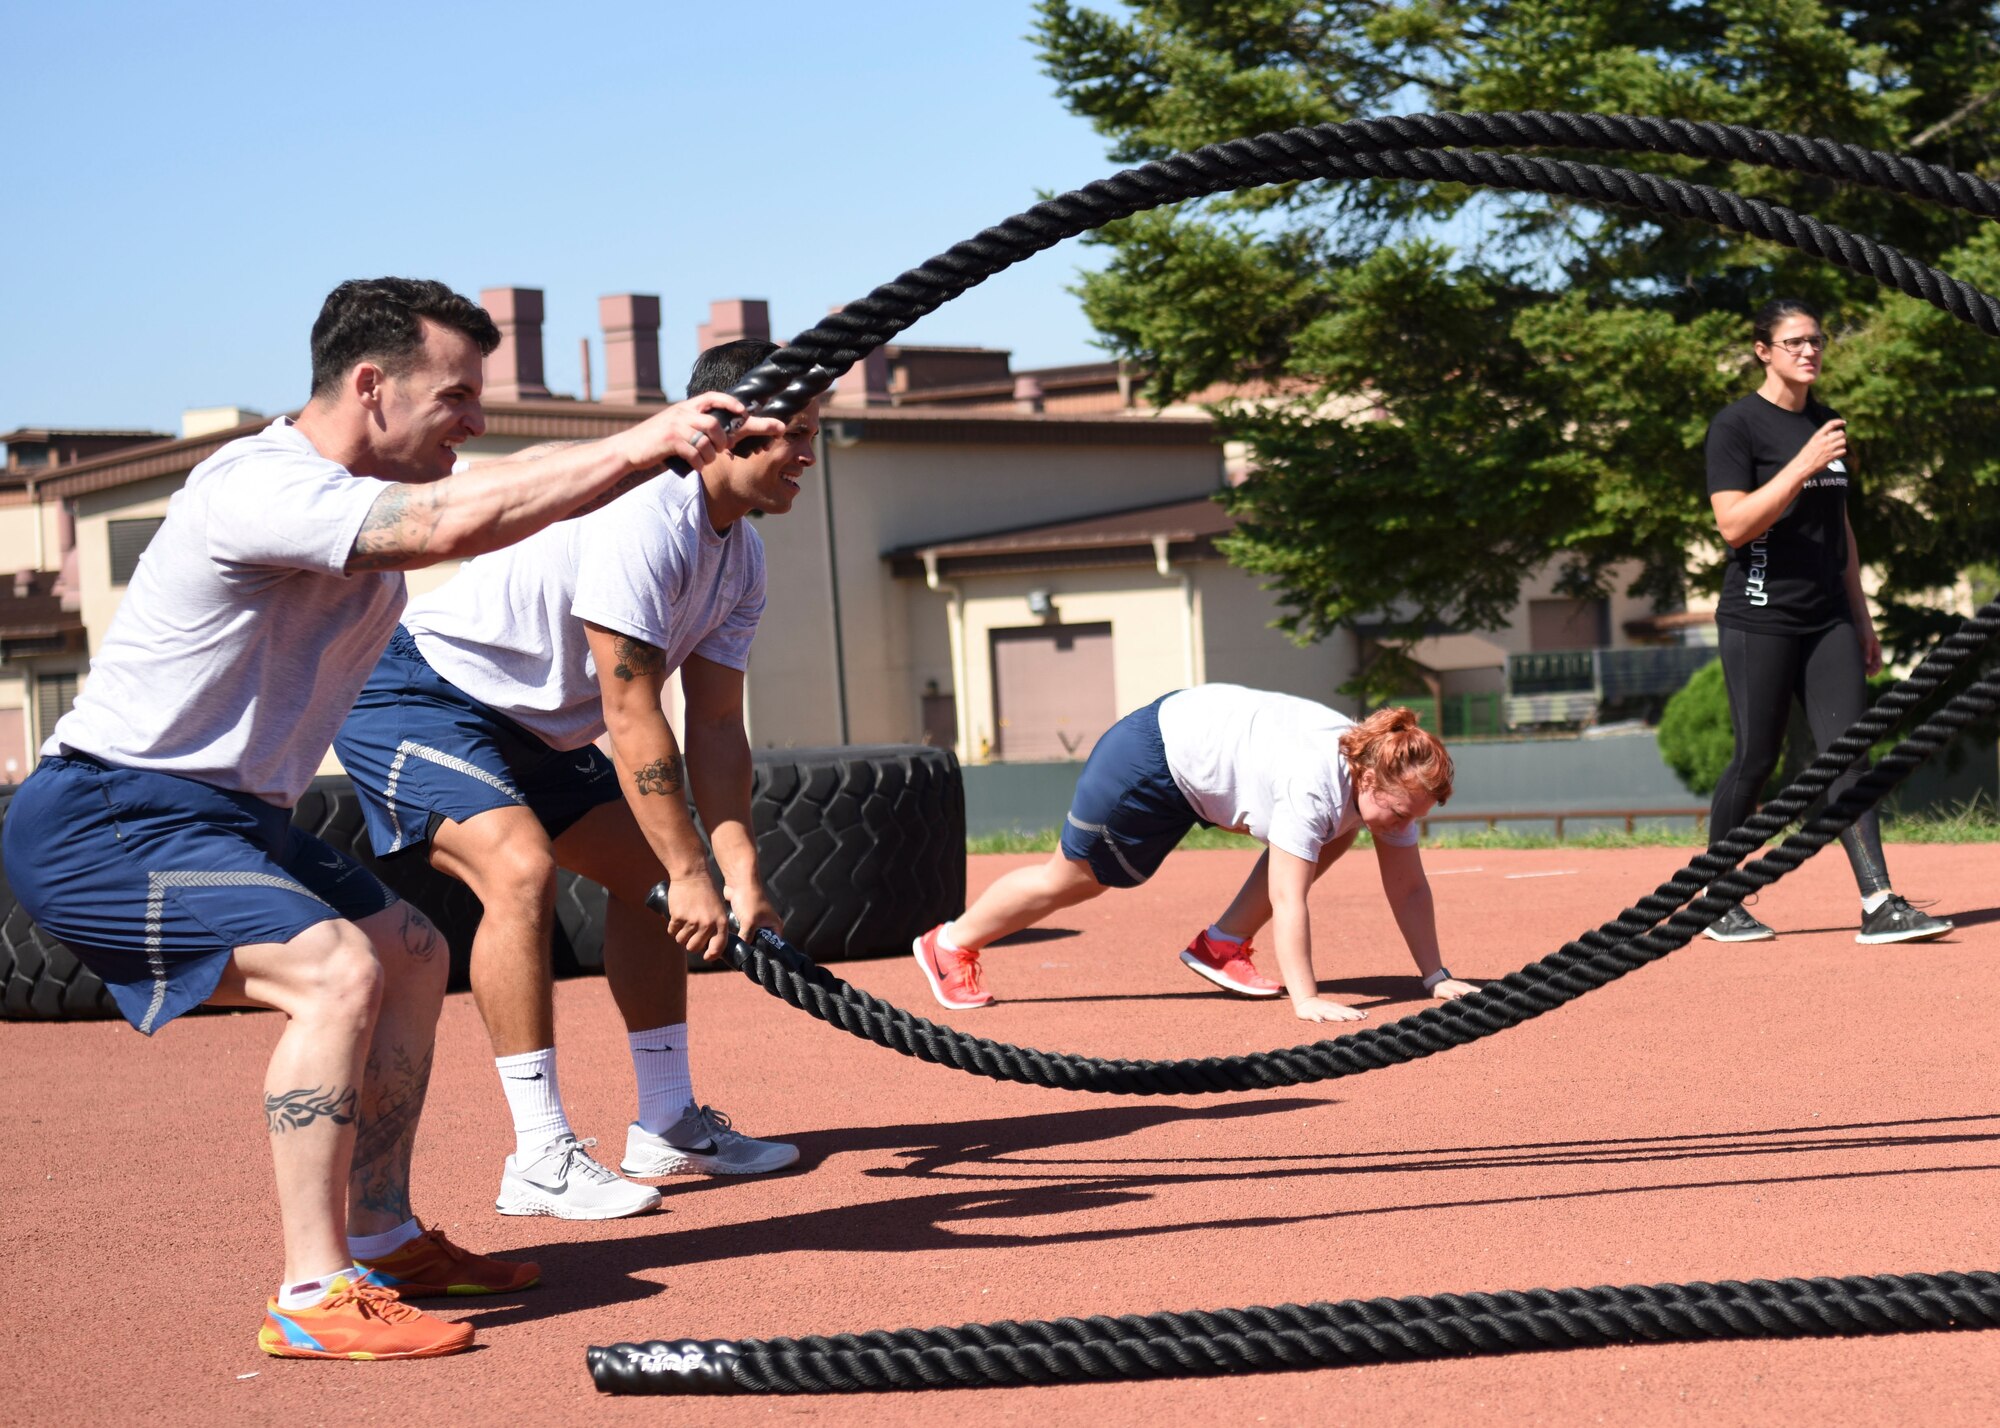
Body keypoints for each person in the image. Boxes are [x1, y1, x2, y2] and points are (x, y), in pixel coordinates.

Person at [0, 278, 784, 1360]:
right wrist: (649, 440)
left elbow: (493, 502)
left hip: (230, 819)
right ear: (370, 387)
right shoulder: (263, 485)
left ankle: (383, 1234)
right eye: (455, 398)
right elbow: (449, 522)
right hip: (112, 815)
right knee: (336, 971)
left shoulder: (371, 505)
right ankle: (311, 1291)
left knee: (409, 951)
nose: (471, 423)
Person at [332, 339, 812, 1221]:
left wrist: (734, 872)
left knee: (656, 887)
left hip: (535, 731)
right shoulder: (647, 517)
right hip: (422, 699)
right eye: (796, 436)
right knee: (520, 869)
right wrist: (697, 874)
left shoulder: (740, 558)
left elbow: (713, 727)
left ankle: (667, 1122)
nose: (810, 457)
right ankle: (540, 1156)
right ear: (732, 433)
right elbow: (632, 712)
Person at [912, 687, 1478, 1022]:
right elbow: (1288, 895)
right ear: (1369, 776)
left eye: (1414, 817)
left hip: (1198, 752)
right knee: (1077, 879)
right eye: (1401, 814)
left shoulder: (1377, 778)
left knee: (1338, 834)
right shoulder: (1316, 784)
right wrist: (1306, 998)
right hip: (1150, 756)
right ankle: (950, 943)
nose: (1404, 827)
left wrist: (1435, 976)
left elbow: (1407, 886)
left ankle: (1221, 946)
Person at [1700, 298, 1952, 946]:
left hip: (1829, 619)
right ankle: (1718, 901)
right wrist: (1803, 465)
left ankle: (1879, 902)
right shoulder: (1737, 427)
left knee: (1849, 756)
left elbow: (1840, 528)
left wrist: (1861, 617)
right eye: (1795, 342)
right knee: (1756, 758)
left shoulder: (1826, 422)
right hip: (1760, 616)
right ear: (1763, 350)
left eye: (1816, 340)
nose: (1810, 351)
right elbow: (1733, 525)